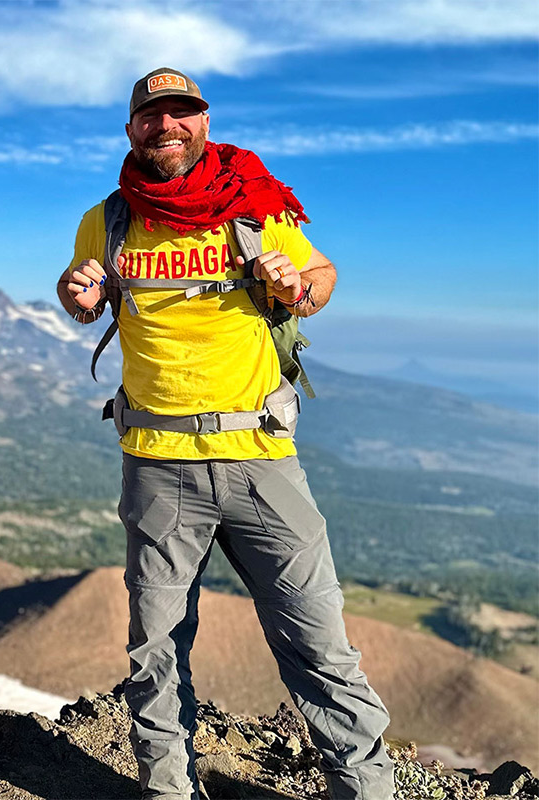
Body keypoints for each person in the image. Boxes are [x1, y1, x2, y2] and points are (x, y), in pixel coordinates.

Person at [56, 67, 395, 800]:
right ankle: (169, 792)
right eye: (152, 116)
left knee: (318, 643)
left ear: (204, 124)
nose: (167, 126)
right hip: (158, 464)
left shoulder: (251, 206)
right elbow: (83, 293)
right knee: (156, 654)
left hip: (260, 457)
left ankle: (365, 789)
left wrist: (296, 286)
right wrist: (77, 294)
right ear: (131, 131)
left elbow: (322, 275)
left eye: (182, 113)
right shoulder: (109, 218)